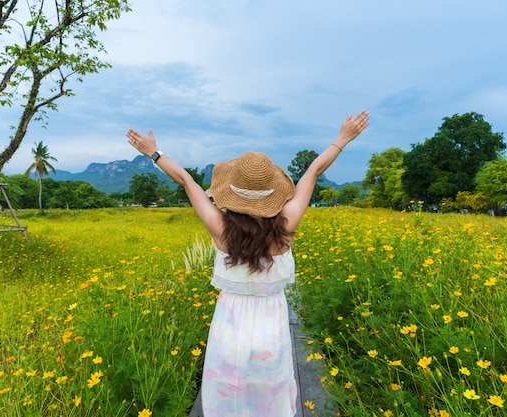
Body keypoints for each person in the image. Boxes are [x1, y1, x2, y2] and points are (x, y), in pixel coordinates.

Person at [126, 110, 370, 417]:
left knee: (228, 386)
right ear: (273, 193)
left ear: (230, 192)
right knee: (269, 389)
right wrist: (343, 138)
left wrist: (153, 152)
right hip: (272, 323)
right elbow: (313, 172)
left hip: (230, 322)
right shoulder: (287, 226)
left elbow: (187, 181)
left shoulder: (221, 228)